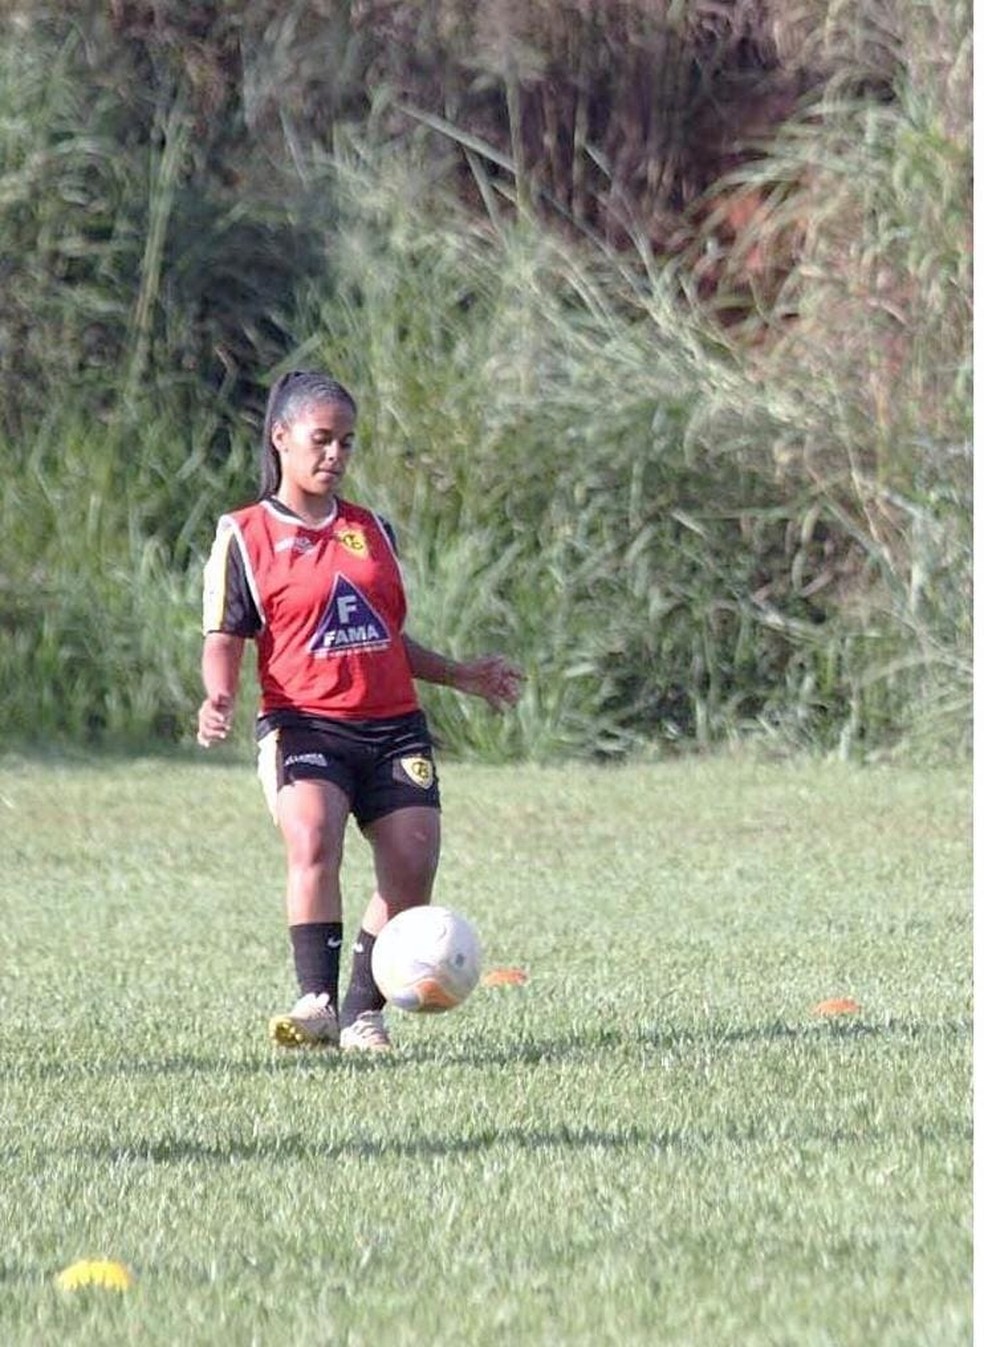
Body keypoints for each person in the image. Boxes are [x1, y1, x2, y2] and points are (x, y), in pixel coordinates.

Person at [196, 370, 523, 1052]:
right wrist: (218, 693)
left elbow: (383, 636)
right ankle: (314, 998)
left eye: (346, 442)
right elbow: (225, 635)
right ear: (280, 437)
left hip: (393, 724)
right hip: (304, 723)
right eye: (322, 439)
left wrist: (461, 674)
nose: (335, 455)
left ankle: (361, 1010)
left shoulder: (372, 530)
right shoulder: (246, 534)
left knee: (412, 864)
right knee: (313, 835)